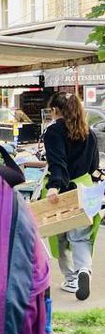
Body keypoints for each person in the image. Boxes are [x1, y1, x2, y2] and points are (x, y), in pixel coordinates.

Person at [43, 90, 100, 300]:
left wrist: (54, 186)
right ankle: (84, 270)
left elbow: (58, 164)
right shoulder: (89, 133)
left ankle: (71, 279)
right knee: (81, 238)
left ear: (55, 110)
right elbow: (94, 166)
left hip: (63, 192)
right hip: (85, 189)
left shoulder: (53, 132)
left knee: (60, 237)